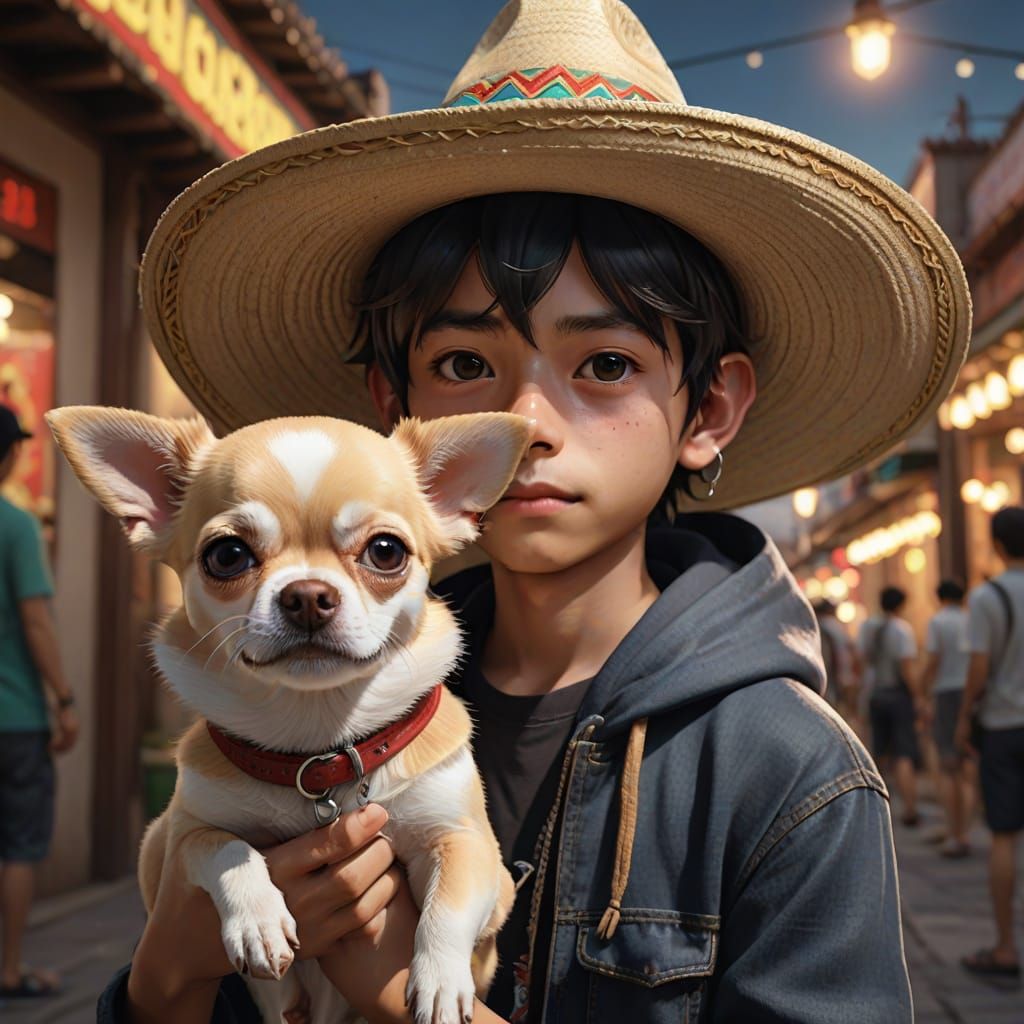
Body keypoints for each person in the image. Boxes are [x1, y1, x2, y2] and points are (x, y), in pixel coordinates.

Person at [99, 1, 975, 1020]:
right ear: (397, 410)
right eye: (464, 364)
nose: (524, 423)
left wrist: (404, 1000)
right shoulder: (294, 706)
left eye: (603, 365)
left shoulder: (786, 769)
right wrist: (162, 979)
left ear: (709, 409)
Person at [0, 404, 78, 1000]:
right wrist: (65, 698)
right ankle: (7, 969)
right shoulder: (16, 526)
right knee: (18, 846)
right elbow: (36, 621)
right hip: (14, 717)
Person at [956, 506, 1024, 984]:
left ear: (997, 545)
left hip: (1003, 725)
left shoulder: (988, 596)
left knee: (1003, 836)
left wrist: (963, 717)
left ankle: (1005, 947)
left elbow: (978, 667)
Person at [857, 587, 925, 826]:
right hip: (897, 695)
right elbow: (906, 667)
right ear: (901, 605)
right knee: (903, 753)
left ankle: (876, 810)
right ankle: (910, 809)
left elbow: (861, 660)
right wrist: (918, 696)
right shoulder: (901, 629)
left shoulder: (867, 626)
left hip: (875, 694)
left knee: (878, 754)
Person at [919, 579, 974, 858]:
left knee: (949, 765)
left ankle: (955, 834)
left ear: (939, 597)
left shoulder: (938, 622)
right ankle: (965, 830)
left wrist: (921, 688)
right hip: (972, 692)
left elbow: (934, 660)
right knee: (968, 767)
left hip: (946, 693)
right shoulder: (971, 619)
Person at [813, 599, 857, 720]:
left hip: (824, 676)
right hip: (840, 675)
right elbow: (850, 648)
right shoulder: (834, 626)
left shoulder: (816, 625)